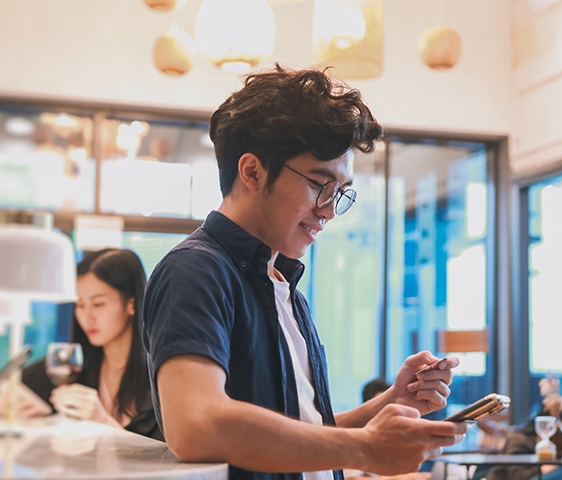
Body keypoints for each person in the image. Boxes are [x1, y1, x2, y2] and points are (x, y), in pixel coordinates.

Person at [142, 65, 468, 480]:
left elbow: (302, 431)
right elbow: (197, 426)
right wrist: (366, 448)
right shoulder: (196, 269)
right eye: (320, 185)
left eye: (341, 192)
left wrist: (389, 402)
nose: (330, 209)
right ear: (253, 172)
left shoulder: (281, 282)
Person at [12, 248, 162, 440]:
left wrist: (102, 421)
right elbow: (10, 386)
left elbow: (167, 460)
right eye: (80, 305)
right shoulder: (78, 363)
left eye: (98, 304)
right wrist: (31, 407)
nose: (86, 318)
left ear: (132, 304)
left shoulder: (160, 376)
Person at [484, 408, 562, 480]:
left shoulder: (555, 447)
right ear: (545, 426)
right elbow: (516, 476)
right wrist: (543, 468)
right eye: (560, 433)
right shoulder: (518, 440)